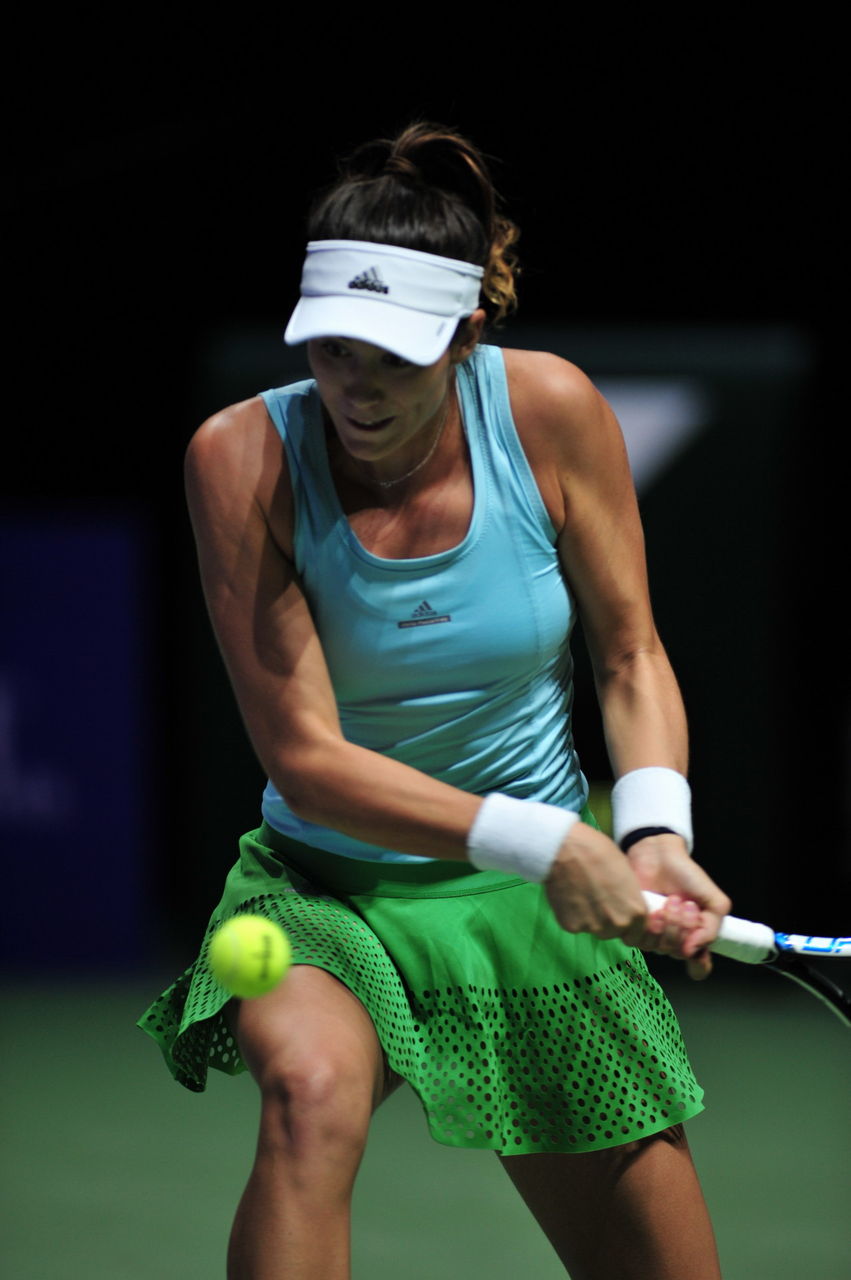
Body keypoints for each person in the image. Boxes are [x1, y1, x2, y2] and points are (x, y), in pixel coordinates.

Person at [138, 121, 731, 1279]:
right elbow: (306, 759)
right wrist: (550, 839)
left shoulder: (549, 410)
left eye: (394, 356)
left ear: (466, 334)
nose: (354, 386)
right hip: (328, 887)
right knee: (307, 1091)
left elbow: (628, 653)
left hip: (528, 897)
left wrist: (653, 828)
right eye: (332, 348)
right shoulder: (238, 456)